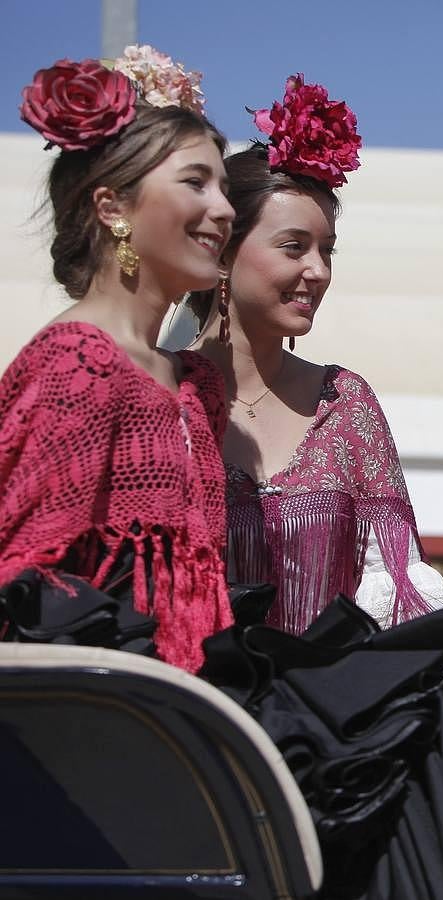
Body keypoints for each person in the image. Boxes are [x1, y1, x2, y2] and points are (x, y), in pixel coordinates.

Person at [187, 76, 443, 634]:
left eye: (326, 250)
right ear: (221, 254)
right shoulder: (161, 395)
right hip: (193, 711)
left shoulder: (346, 402)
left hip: (318, 709)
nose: (319, 271)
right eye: (294, 247)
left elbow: (397, 582)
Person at [0, 48, 234, 672]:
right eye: (195, 182)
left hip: (187, 721)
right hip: (100, 734)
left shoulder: (194, 385)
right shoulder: (76, 365)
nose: (226, 209)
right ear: (113, 208)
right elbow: (20, 581)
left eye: (225, 187)